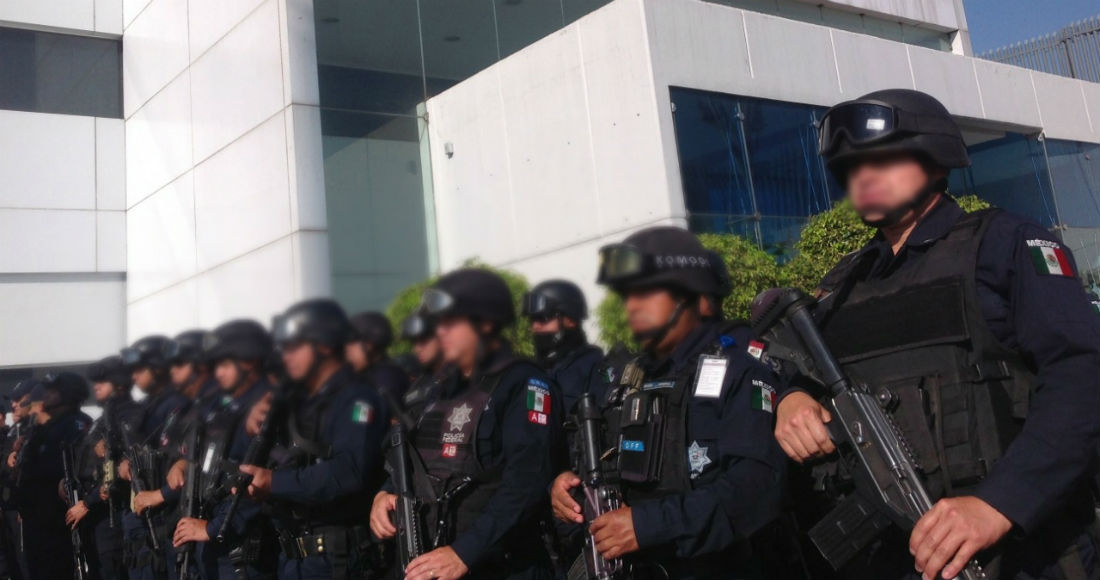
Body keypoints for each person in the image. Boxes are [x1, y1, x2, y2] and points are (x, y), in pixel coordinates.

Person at [772, 88, 1100, 580]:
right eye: (850, 167)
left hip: (1014, 554)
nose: (863, 176)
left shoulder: (1005, 244)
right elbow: (806, 369)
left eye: (882, 159)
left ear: (935, 158)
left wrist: (999, 503)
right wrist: (792, 398)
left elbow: (1082, 378)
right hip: (892, 555)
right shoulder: (845, 281)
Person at [550, 226, 788, 579]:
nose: (632, 305)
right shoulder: (623, 381)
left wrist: (648, 525)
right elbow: (594, 469)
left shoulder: (738, 371)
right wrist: (566, 490)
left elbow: (756, 488)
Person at [369, 268, 565, 580]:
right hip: (428, 563)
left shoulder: (523, 384)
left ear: (485, 323)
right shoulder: (434, 388)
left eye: (450, 322)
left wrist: (464, 552)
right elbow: (412, 458)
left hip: (499, 567)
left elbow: (527, 484)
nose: (439, 332)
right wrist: (385, 493)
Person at [237, 298, 389, 580]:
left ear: (325, 345)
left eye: (295, 347)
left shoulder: (357, 399)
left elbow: (348, 473)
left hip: (336, 560)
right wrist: (252, 429)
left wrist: (273, 482)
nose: (286, 356)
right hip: (292, 556)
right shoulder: (298, 401)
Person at [171, 319, 276, 580]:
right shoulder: (227, 407)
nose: (218, 373)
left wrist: (212, 528)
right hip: (215, 544)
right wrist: (182, 462)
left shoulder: (266, 405)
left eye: (225, 365)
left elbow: (258, 484)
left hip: (241, 550)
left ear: (249, 362)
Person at [119, 335, 192, 580]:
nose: (134, 376)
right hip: (147, 515)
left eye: (139, 369)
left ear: (158, 368)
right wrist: (126, 463)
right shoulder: (147, 407)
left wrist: (160, 495)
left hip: (171, 516)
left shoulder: (180, 404)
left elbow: (191, 462)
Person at [66, 355, 142, 580]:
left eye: (103, 381)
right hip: (95, 517)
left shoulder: (130, 416)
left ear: (120, 384)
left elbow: (127, 468)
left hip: (113, 516)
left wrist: (87, 503)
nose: (96, 386)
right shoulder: (104, 419)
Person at [16, 372, 93, 579]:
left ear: (67, 394)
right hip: (36, 516)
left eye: (53, 391)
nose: (46, 395)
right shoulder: (45, 427)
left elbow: (76, 467)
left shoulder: (76, 423)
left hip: (57, 517)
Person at [522, 279, 605, 414]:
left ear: (570, 320)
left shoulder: (595, 367)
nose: (535, 326)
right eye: (532, 320)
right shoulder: (531, 369)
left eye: (543, 318)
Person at [347, 311, 411, 405]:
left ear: (369, 345)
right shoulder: (368, 377)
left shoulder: (385, 379)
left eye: (351, 343)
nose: (346, 350)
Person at [397, 310, 444, 417]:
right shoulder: (417, 390)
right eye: (414, 343)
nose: (417, 349)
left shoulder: (466, 373)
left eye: (423, 340)